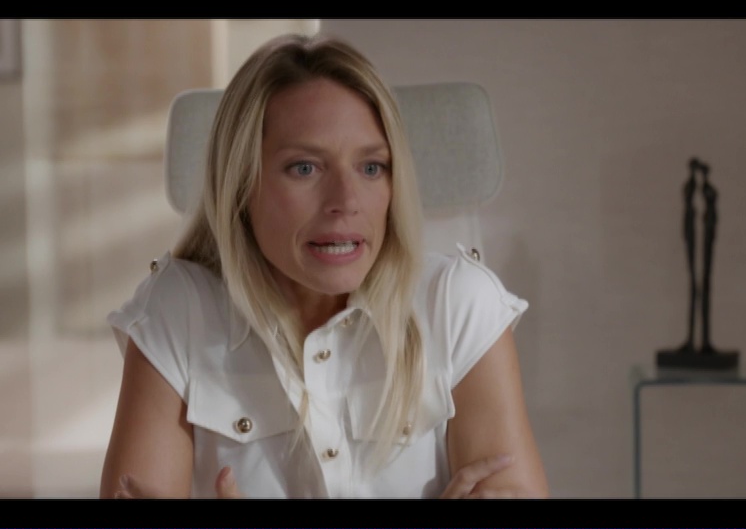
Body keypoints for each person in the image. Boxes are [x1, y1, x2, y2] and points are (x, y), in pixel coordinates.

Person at [99, 32, 548, 499]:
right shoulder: (177, 311)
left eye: (371, 167)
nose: (346, 201)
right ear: (241, 183)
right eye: (305, 168)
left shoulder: (459, 303)